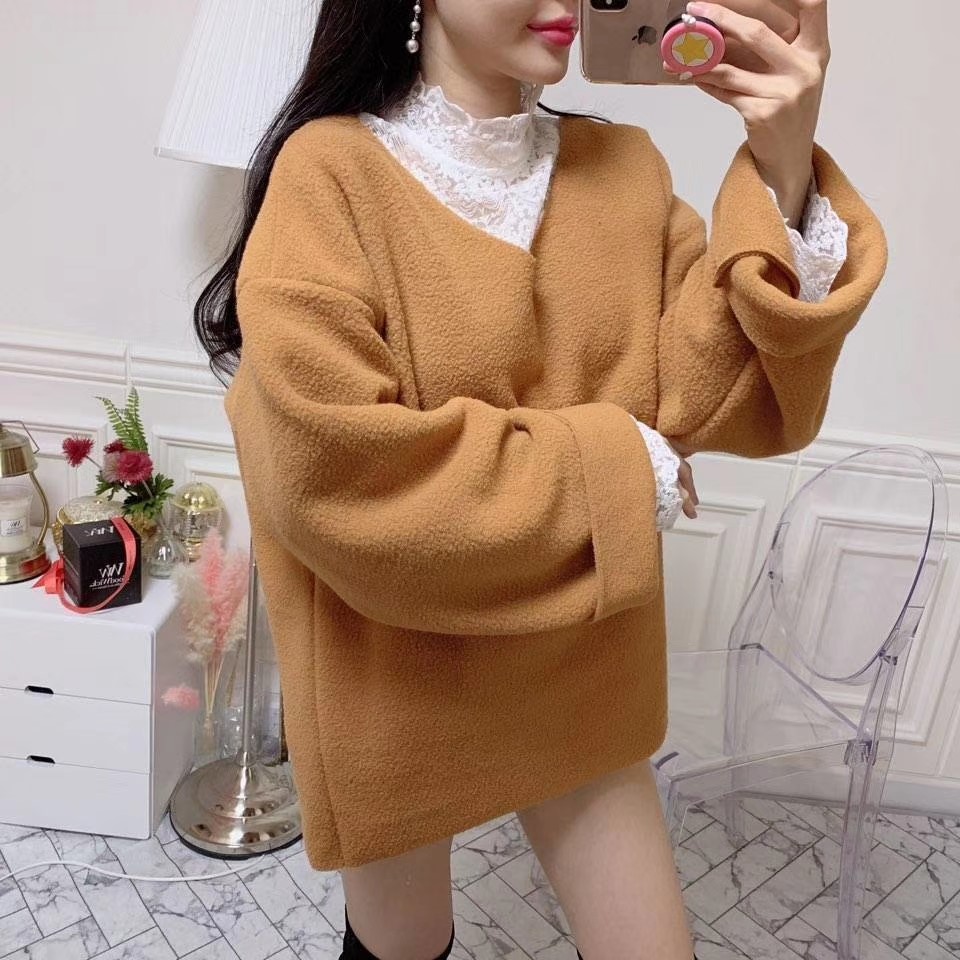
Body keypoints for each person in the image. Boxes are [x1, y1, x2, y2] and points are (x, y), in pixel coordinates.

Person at [193, 1, 887, 957]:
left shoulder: (626, 171)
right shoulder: (329, 173)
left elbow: (720, 395)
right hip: (396, 673)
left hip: (581, 664)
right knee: (402, 946)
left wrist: (785, 161)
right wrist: (620, 464)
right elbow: (339, 474)